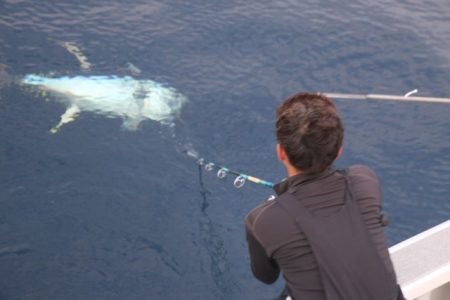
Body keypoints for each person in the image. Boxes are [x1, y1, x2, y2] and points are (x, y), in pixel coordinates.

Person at [245, 93, 404, 300]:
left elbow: (266, 276)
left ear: (281, 152)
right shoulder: (364, 181)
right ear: (338, 150)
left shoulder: (260, 220)